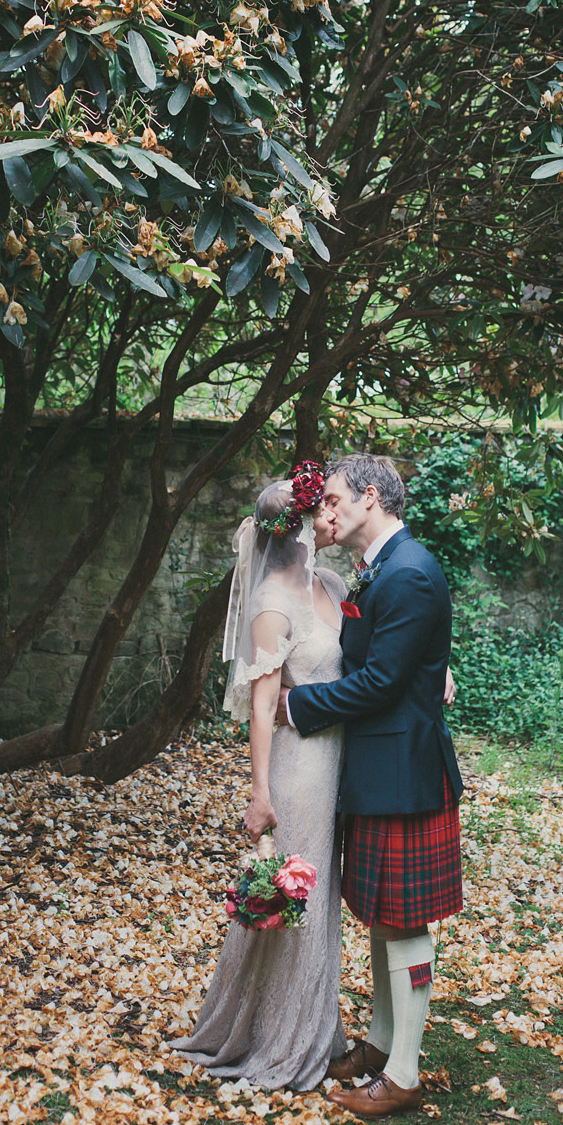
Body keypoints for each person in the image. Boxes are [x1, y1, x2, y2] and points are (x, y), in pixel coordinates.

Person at [283, 452, 464, 1120]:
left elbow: (384, 682)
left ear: (369, 497)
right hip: (381, 767)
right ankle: (384, 1043)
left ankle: (406, 1073)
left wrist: (297, 707)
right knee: (384, 916)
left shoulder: (410, 571)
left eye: (334, 497)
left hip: (405, 772)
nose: (326, 509)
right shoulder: (385, 568)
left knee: (405, 919)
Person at [173, 464, 349, 1090]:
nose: (334, 514)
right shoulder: (271, 605)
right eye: (322, 508)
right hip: (299, 768)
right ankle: (276, 1036)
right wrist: (259, 792)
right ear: (297, 525)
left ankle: (315, 1025)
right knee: (292, 900)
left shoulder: (330, 581)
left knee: (321, 898)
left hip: (339, 763)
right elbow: (260, 707)